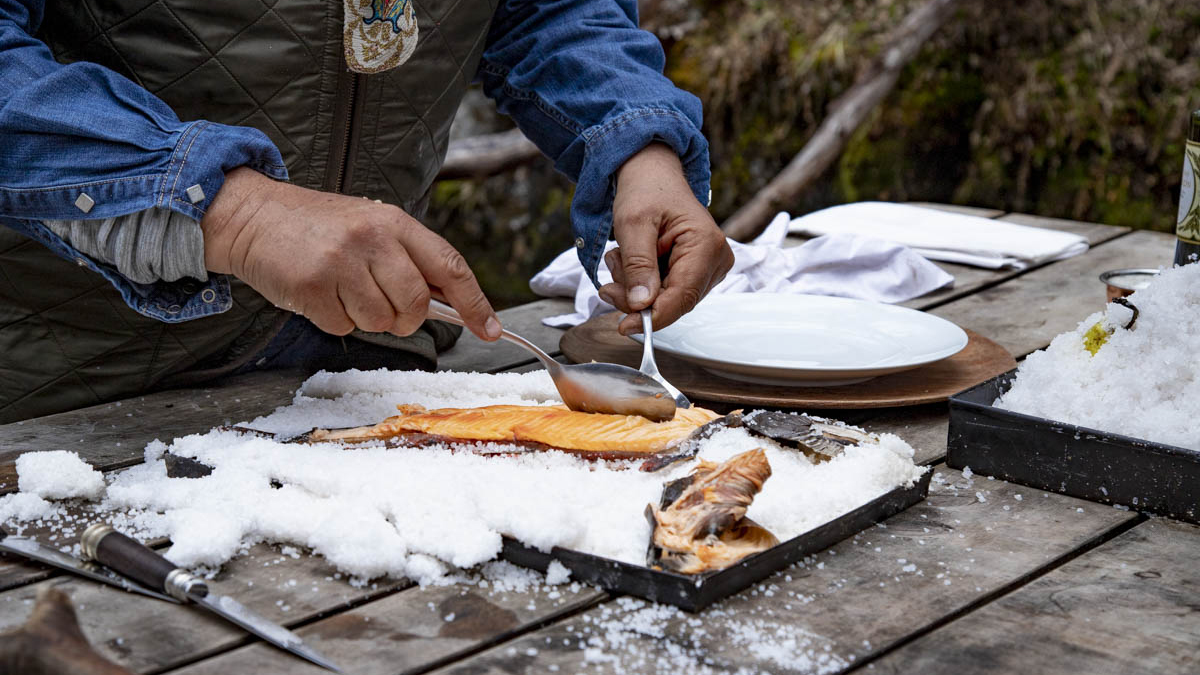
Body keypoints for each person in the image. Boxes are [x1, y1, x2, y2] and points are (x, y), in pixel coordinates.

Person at [0, 0, 734, 423]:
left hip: (369, 370)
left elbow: (546, 9)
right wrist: (238, 216)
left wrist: (637, 141)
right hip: (64, 397)